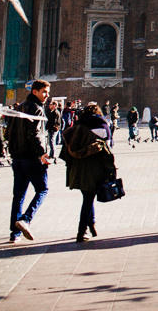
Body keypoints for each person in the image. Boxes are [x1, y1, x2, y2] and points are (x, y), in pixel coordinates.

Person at [60, 102, 115, 243]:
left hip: (79, 168)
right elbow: (108, 147)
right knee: (88, 200)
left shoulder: (77, 127)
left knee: (87, 197)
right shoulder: (103, 126)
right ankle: (81, 231)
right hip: (96, 168)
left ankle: (92, 226)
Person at [7, 79, 51, 242]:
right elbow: (34, 134)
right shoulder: (36, 109)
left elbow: (8, 133)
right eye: (44, 92)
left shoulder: (19, 107)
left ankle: (15, 233)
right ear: (35, 92)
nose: (47, 95)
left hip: (17, 158)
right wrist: (42, 154)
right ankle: (26, 219)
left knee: (18, 195)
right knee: (43, 189)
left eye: (47, 92)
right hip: (31, 158)